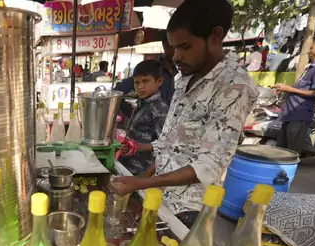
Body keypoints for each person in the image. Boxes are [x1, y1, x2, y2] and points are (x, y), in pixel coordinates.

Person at [110, 0, 258, 228]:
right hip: (159, 198)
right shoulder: (184, 79)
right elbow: (168, 146)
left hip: (188, 209)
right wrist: (143, 181)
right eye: (174, 47)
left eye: (185, 47)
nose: (176, 56)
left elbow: (209, 165)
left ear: (215, 36)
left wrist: (139, 183)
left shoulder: (235, 87)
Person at [274, 37, 315, 153]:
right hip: (291, 113)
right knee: (281, 150)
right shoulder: (312, 66)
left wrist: (289, 88)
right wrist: (286, 89)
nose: (309, 50)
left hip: (300, 114)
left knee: (291, 152)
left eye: (312, 47)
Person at [118, 60, 169, 176]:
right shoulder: (142, 103)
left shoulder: (160, 109)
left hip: (142, 169)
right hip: (128, 164)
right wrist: (128, 147)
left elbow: (165, 144)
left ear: (159, 81)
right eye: (137, 82)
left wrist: (138, 147)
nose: (140, 87)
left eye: (145, 81)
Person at [114, 32, 177, 104]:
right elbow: (118, 91)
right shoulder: (151, 68)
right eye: (175, 47)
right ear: (165, 46)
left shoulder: (177, 71)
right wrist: (128, 110)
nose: (178, 52)